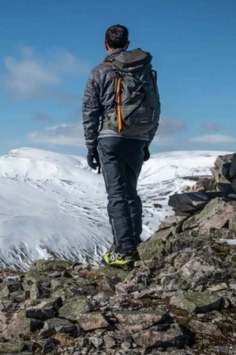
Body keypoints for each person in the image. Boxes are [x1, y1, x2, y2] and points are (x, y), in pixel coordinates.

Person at [81, 24, 160, 270]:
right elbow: (155, 108)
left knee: (116, 195)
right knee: (131, 193)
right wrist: (146, 140)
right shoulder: (145, 71)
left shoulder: (99, 72)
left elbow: (90, 112)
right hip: (137, 138)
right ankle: (134, 244)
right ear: (126, 44)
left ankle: (123, 252)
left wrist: (91, 147)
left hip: (110, 137)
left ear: (106, 44)